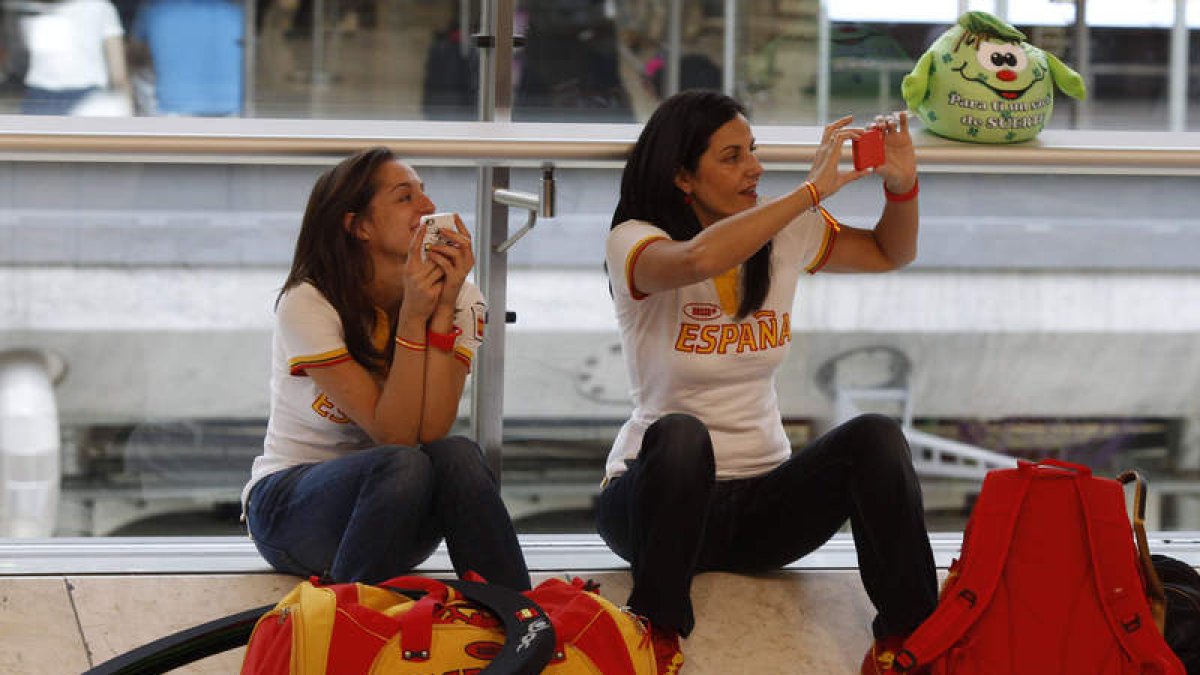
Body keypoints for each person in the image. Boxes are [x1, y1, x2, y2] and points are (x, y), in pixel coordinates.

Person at [597, 90, 938, 675]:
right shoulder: (635, 239)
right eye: (731, 157)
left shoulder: (788, 234)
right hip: (657, 503)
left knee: (876, 437)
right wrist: (811, 193)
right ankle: (655, 632)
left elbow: (889, 251)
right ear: (683, 175)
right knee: (682, 434)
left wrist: (900, 185)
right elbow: (694, 262)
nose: (754, 167)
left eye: (752, 150)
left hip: (763, 505)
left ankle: (913, 637)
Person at [241, 147, 531, 591]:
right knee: (401, 463)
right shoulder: (309, 301)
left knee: (456, 454)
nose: (429, 208)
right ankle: (345, 625)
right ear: (358, 225)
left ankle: (520, 619)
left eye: (425, 194)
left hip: (394, 517)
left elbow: (431, 430)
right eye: (405, 197)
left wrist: (442, 312)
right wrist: (414, 318)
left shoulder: (462, 297)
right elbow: (394, 435)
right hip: (290, 510)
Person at [17, 0, 131, 115]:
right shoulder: (100, 6)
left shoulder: (33, 7)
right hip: (83, 95)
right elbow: (118, 72)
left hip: (44, 93)